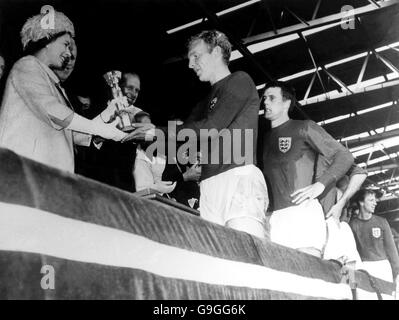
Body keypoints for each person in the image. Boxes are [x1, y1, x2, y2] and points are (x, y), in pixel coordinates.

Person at [123, 30, 269, 238]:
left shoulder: (240, 80)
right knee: (215, 260)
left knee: (246, 256)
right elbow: (183, 132)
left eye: (196, 56)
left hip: (238, 177)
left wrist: (156, 132)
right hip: (210, 185)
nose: (190, 64)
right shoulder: (205, 101)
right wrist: (136, 128)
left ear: (217, 52)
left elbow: (210, 128)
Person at [0, 6, 126, 173]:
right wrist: (105, 130)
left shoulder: (53, 84)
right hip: (21, 177)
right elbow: (55, 113)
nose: (68, 53)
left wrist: (107, 115)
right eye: (65, 44)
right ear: (47, 40)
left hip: (46, 180)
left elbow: (72, 133)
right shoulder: (26, 65)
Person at [261, 81, 354, 257]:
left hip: (302, 214)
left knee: (308, 275)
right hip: (275, 218)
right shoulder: (265, 139)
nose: (265, 102)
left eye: (272, 98)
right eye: (264, 98)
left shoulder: (304, 127)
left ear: (287, 103)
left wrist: (320, 185)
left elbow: (345, 156)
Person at [349, 189, 399, 290]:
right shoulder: (352, 225)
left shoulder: (382, 222)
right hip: (364, 269)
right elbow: (351, 254)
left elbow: (392, 251)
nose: (375, 203)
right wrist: (351, 282)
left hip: (383, 268)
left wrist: (396, 274)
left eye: (375, 200)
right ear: (361, 202)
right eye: (371, 200)